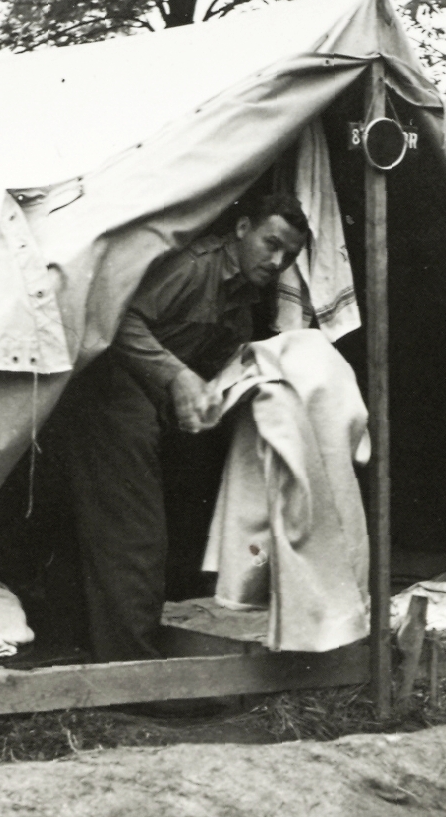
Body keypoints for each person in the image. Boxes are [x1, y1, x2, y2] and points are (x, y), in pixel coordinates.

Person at [48, 193, 310, 662]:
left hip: (149, 408)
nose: (276, 261)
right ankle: (133, 668)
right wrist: (177, 376)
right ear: (242, 227)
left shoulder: (244, 302)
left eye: (288, 255)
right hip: (106, 390)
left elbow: (210, 365)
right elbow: (117, 317)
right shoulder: (196, 267)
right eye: (270, 243)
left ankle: (105, 645)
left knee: (159, 522)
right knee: (136, 533)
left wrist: (206, 394)